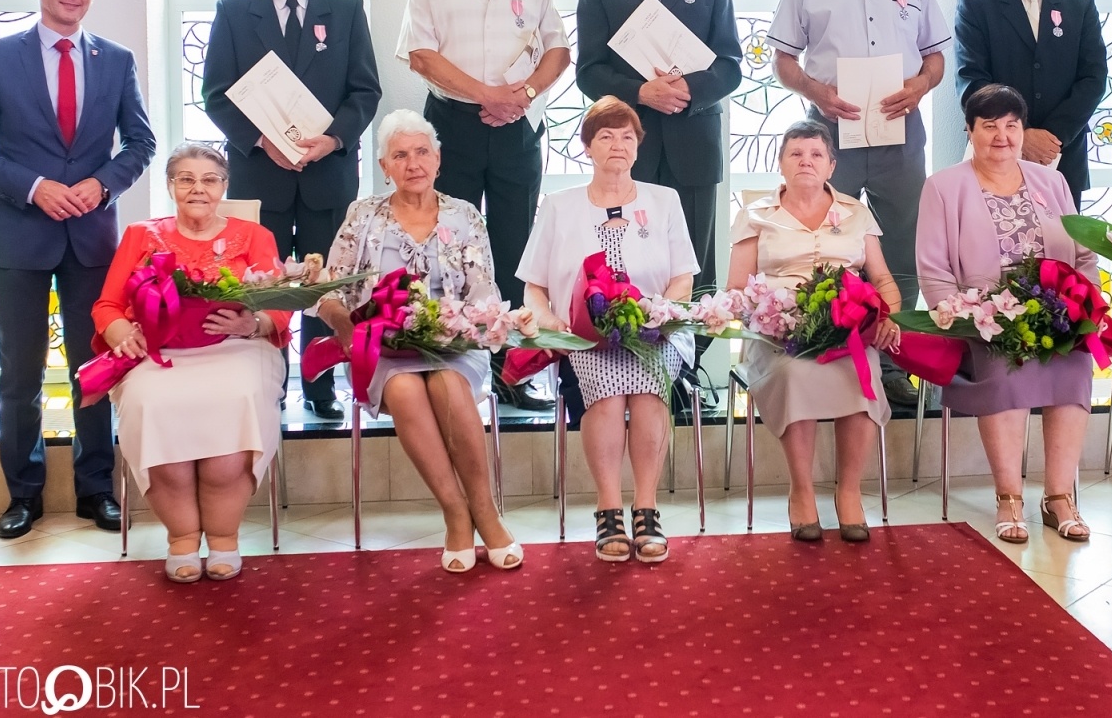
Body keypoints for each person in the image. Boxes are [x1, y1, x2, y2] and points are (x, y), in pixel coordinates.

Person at [0, 0, 155, 541]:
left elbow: (140, 144)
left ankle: (97, 488)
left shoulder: (115, 60)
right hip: (19, 237)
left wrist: (102, 184)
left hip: (91, 238)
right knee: (21, 372)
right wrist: (34, 186)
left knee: (94, 366)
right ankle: (24, 493)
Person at [767, 0, 949, 407]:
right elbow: (782, 61)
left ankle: (893, 362)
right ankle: (827, 348)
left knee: (902, 241)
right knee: (827, 241)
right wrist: (815, 91)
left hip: (899, 132)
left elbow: (935, 58)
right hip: (830, 135)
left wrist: (919, 85)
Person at [315, 110, 520, 574]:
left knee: (446, 383)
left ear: (439, 159)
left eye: (422, 152)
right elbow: (329, 287)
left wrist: (462, 326)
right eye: (400, 155)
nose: (413, 163)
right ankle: (455, 513)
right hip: (379, 350)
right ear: (385, 166)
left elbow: (485, 296)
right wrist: (345, 326)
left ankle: (485, 511)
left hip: (453, 346)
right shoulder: (363, 215)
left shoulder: (465, 214)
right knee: (407, 388)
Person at [398, 0, 571, 412]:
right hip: (451, 128)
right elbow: (420, 55)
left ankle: (511, 371)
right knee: (450, 245)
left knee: (516, 245)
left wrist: (522, 94)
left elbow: (559, 51)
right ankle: (452, 366)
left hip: (517, 127)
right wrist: (486, 95)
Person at [202, 0, 382, 421]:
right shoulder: (235, 12)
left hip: (327, 173)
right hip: (263, 176)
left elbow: (365, 90)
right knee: (267, 285)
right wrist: (261, 141)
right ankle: (268, 386)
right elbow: (215, 94)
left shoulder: (345, 9)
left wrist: (334, 139)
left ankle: (321, 387)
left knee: (323, 284)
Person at [516, 97, 699, 564]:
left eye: (626, 136)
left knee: (647, 386)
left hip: (653, 329)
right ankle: (608, 508)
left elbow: (683, 276)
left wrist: (660, 312)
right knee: (609, 388)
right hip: (583, 334)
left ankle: (647, 507)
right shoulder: (558, 206)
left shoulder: (665, 200)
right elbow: (533, 287)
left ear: (638, 146)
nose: (617, 145)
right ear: (586, 147)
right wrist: (551, 321)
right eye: (605, 136)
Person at [95, 144, 288, 582]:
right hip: (156, 352)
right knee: (149, 402)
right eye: (185, 178)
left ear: (224, 186)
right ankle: (181, 537)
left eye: (209, 179)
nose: (197, 188)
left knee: (238, 395)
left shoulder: (254, 236)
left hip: (237, 348)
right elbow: (107, 305)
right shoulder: (141, 235)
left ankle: (223, 537)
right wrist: (123, 333)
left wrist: (250, 324)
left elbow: (279, 307)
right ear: (170, 186)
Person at [575, 0, 744, 361]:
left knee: (695, 259)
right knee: (630, 254)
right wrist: (641, 93)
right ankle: (626, 357)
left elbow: (730, 64)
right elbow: (589, 72)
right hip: (630, 147)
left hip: (695, 141)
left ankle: (694, 366)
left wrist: (689, 89)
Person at [916, 85, 1097, 543]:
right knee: (1005, 365)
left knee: (1075, 363)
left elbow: (1084, 256)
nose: (1002, 136)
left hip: (1053, 313)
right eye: (989, 126)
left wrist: (1083, 306)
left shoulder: (1051, 182)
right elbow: (934, 272)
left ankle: (1059, 498)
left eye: (1011, 125)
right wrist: (966, 315)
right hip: (983, 320)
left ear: (1023, 130)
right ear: (970, 131)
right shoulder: (943, 187)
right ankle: (1009, 497)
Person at [725, 120, 902, 543]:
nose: (806, 161)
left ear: (831, 165)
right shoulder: (755, 215)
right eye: (795, 154)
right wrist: (769, 318)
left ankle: (849, 492)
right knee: (794, 374)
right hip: (777, 335)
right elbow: (735, 290)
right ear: (781, 164)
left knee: (863, 377)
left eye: (816, 154)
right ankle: (801, 492)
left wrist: (887, 315)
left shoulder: (856, 213)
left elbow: (883, 280)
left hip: (847, 331)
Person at [956, 0, 1107, 206]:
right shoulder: (975, 5)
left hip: (1063, 153)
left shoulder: (1080, 5)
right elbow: (971, 81)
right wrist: (1020, 134)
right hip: (997, 148)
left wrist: (1052, 136)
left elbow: (1094, 78)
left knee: (1061, 248)